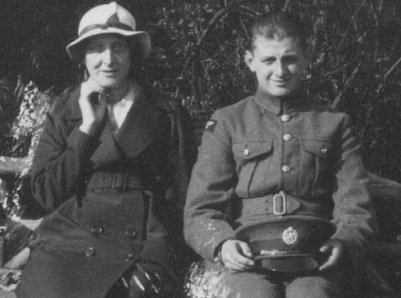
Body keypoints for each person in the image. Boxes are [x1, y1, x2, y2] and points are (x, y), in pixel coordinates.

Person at [184, 11, 377, 298]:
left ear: (306, 59)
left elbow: (356, 206)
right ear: (250, 61)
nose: (280, 70)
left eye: (290, 59)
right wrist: (222, 245)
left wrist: (343, 243)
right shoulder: (228, 122)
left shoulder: (334, 123)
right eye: (268, 60)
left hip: (315, 258)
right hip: (246, 259)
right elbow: (201, 209)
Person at [15, 2, 194, 298]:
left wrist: (175, 249)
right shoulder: (64, 109)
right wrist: (86, 129)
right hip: (71, 234)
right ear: (84, 57)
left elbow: (185, 191)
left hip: (143, 238)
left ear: (132, 54)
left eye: (118, 48)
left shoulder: (166, 112)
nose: (108, 59)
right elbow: (44, 194)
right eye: (97, 48)